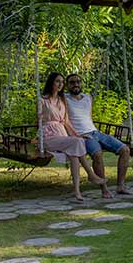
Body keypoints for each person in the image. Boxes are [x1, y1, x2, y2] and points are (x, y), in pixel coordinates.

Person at [39, 72, 108, 201]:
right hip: (48, 135)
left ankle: (77, 191)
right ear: (51, 83)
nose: (60, 84)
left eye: (62, 82)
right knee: (76, 143)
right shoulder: (42, 100)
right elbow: (38, 120)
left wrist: (78, 136)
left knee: (75, 154)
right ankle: (91, 174)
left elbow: (66, 122)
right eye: (57, 81)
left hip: (62, 135)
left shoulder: (62, 101)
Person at [65, 73, 133, 195]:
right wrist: (76, 135)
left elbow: (88, 117)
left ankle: (120, 186)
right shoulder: (64, 99)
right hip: (83, 135)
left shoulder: (88, 97)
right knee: (97, 154)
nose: (76, 84)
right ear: (67, 85)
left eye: (78, 81)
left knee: (125, 150)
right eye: (72, 82)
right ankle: (104, 189)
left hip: (96, 132)